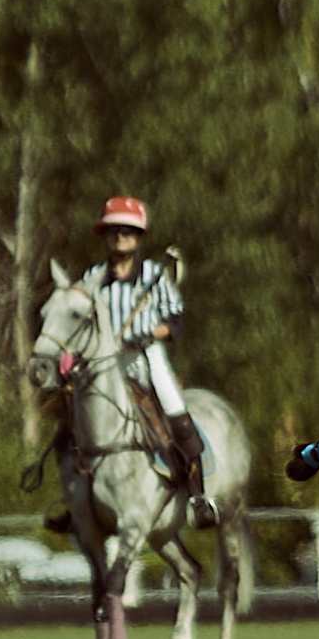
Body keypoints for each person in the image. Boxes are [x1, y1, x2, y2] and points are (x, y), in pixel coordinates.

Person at [83, 196, 216, 530]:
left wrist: (150, 333)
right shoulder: (93, 277)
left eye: (128, 230)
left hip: (146, 358)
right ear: (105, 235)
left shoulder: (155, 276)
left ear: (139, 236)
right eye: (114, 230)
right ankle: (74, 501)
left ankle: (199, 497)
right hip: (105, 364)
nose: (121, 236)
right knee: (74, 416)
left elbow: (176, 320)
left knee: (175, 413)